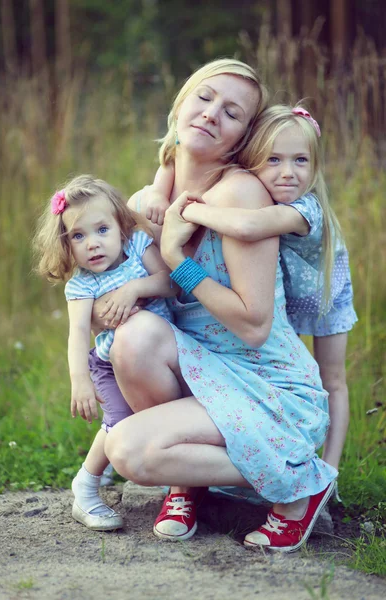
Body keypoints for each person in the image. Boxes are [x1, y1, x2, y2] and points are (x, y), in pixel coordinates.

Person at [94, 58, 338, 552]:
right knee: (132, 339)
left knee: (128, 451)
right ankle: (189, 482)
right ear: (181, 103)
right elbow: (169, 162)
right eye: (204, 98)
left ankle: (300, 479)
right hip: (207, 370)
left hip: (269, 386)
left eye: (231, 113)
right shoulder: (161, 189)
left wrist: (175, 259)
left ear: (242, 139)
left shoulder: (240, 195)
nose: (210, 114)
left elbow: (252, 325)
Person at [146, 104, 357, 475]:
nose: (288, 173)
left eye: (301, 161)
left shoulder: (307, 210)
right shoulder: (255, 188)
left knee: (332, 378)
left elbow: (246, 227)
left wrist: (188, 212)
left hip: (326, 290)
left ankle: (331, 470)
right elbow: (170, 159)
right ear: (251, 162)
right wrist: (158, 188)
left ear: (315, 166)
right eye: (273, 159)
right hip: (287, 292)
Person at [33, 175, 174, 530]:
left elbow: (170, 282)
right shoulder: (81, 285)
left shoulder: (139, 245)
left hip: (158, 353)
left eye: (101, 230)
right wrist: (80, 381)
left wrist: (133, 289)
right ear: (67, 244)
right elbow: (78, 335)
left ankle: (170, 480)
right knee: (120, 423)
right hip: (108, 365)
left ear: (121, 228)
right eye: (78, 236)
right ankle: (86, 486)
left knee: (161, 415)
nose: (92, 244)